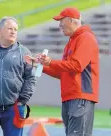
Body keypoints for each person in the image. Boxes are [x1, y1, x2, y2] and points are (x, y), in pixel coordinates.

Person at [25, 7, 99, 136]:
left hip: (81, 97)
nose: (59, 25)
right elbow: (63, 72)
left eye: (61, 20)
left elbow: (77, 65)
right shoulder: (71, 42)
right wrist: (39, 66)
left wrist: (50, 62)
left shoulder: (86, 37)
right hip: (70, 97)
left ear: (71, 20)